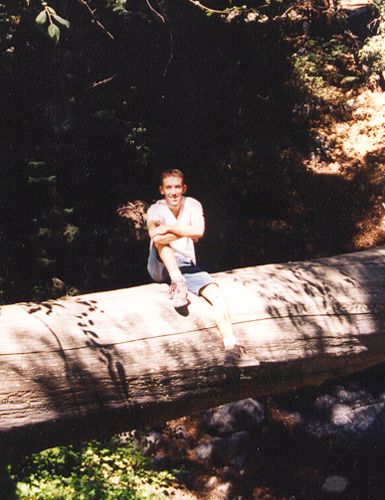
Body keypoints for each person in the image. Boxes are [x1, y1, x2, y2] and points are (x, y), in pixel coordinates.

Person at [146, 168, 251, 365]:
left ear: (183, 188)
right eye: (169, 188)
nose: (174, 192)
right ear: (162, 190)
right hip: (160, 265)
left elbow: (200, 231)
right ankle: (177, 282)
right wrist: (187, 232)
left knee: (217, 294)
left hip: (186, 264)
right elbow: (155, 236)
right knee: (162, 243)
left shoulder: (193, 205)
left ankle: (231, 347)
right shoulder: (155, 210)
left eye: (177, 187)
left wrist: (168, 227)